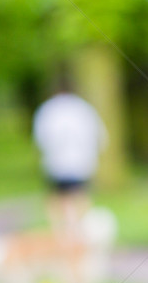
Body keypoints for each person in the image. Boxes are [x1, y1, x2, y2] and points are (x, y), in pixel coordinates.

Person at [33, 73, 107, 238]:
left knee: (58, 198)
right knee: (80, 196)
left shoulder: (47, 109)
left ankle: (60, 233)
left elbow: (41, 138)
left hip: (56, 163)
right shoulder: (84, 108)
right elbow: (99, 135)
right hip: (82, 162)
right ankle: (78, 231)